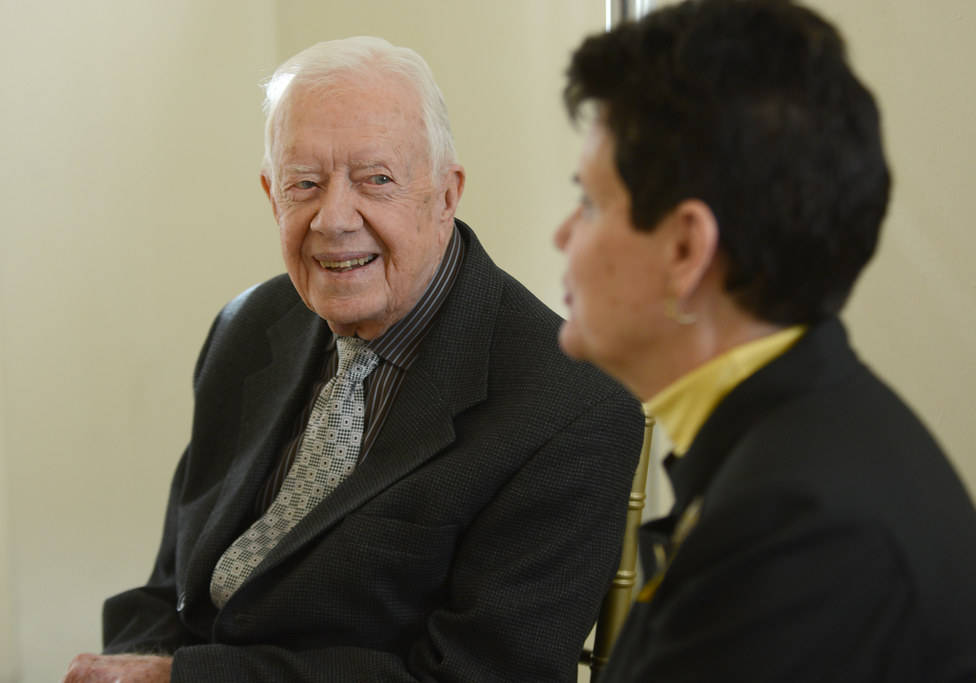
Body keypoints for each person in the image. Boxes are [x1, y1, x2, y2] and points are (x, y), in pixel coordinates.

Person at [64, 37, 643, 682]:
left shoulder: (569, 409)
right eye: (303, 184)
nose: (333, 219)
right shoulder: (248, 326)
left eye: (377, 180)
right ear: (271, 195)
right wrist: (124, 671)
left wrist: (183, 680)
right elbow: (172, 585)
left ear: (446, 194)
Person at [554, 1, 976, 681]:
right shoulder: (803, 440)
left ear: (686, 247)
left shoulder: (800, 530)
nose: (562, 237)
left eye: (591, 203)